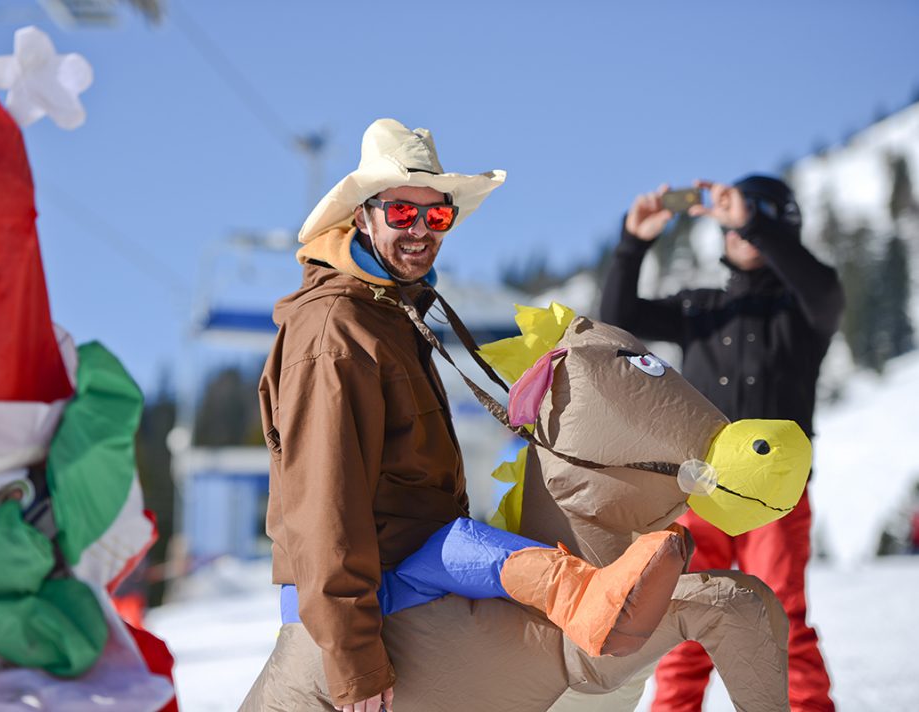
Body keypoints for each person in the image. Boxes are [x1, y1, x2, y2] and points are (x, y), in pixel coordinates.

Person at [241, 119, 691, 712]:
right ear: (363, 215)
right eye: (401, 213)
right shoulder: (336, 333)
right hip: (357, 624)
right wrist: (354, 660)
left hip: (408, 590)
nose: (421, 230)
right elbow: (324, 505)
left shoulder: (388, 315)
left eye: (438, 216)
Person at [600, 176, 844, 711]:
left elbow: (825, 290)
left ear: (783, 226)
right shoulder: (702, 307)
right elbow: (616, 325)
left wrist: (750, 220)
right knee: (685, 619)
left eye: (758, 214)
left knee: (780, 619)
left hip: (776, 502)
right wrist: (633, 242)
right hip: (699, 495)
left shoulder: (803, 313)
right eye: (735, 215)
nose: (740, 223)